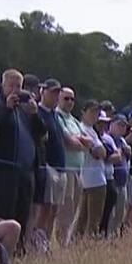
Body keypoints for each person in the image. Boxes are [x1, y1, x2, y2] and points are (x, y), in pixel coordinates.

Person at [0, 69, 44, 252]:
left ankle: (19, 249)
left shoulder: (25, 110)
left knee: (23, 213)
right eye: (11, 85)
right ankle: (0, 252)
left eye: (18, 86)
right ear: (3, 86)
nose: (15, 89)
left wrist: (34, 114)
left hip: (26, 171)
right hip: (4, 171)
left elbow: (41, 133)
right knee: (4, 214)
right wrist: (7, 109)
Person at [32, 79, 68, 250]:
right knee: (45, 208)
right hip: (48, 166)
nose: (55, 96)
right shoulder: (38, 113)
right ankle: (37, 242)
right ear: (42, 91)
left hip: (61, 167)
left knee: (54, 209)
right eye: (52, 92)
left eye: (57, 93)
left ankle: (45, 241)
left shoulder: (55, 115)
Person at [52, 87, 88, 244]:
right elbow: (68, 141)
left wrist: (79, 141)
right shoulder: (57, 116)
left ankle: (67, 239)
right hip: (66, 169)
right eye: (66, 98)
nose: (69, 102)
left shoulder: (73, 120)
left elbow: (87, 141)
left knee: (74, 208)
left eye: (72, 99)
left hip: (79, 169)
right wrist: (79, 141)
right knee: (65, 208)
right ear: (59, 98)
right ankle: (62, 242)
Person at [74, 101, 109, 239]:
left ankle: (81, 244)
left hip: (97, 177)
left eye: (97, 113)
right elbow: (99, 152)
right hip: (91, 179)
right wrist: (98, 150)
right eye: (92, 112)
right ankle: (86, 244)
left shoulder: (92, 130)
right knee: (89, 218)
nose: (95, 116)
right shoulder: (82, 128)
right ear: (83, 112)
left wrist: (98, 150)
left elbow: (103, 152)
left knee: (88, 217)